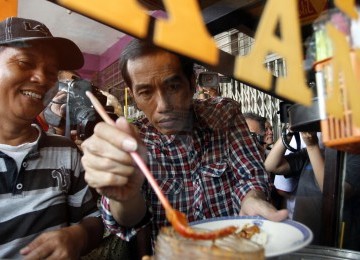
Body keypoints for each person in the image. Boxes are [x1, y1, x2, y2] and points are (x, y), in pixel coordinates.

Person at [81, 39, 288, 253]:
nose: (163, 105)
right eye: (145, 92)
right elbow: (129, 220)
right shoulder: (133, 141)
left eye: (173, 86)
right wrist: (124, 196)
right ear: (133, 96)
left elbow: (249, 175)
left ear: (191, 83)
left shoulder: (223, 114)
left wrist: (252, 199)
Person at [0, 17, 104, 259]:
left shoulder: (65, 151)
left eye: (51, 72)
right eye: (25, 62)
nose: (42, 79)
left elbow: (94, 218)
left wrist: (78, 236)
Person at [264, 131, 324, 244]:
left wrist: (312, 145)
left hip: (331, 237)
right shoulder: (309, 153)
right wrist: (289, 132)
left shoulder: (352, 155)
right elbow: (270, 165)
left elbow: (329, 191)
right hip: (303, 233)